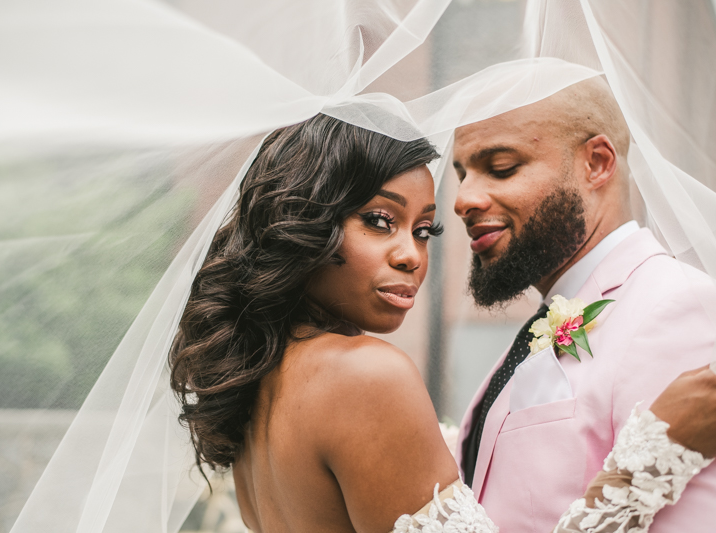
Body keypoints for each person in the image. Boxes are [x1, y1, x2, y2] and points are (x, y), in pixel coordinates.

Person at [169, 113, 716, 533]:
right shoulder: (364, 376)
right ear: (303, 224)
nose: (411, 256)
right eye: (380, 221)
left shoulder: (258, 390)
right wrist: (651, 464)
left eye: (424, 231)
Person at [454, 76, 716, 532]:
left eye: (500, 167)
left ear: (597, 163)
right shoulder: (546, 321)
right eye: (461, 175)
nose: (462, 200)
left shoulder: (676, 308)